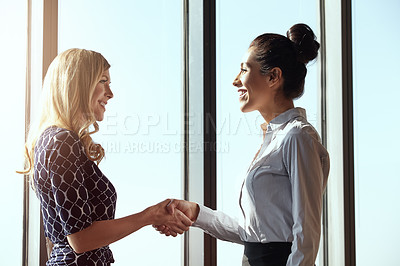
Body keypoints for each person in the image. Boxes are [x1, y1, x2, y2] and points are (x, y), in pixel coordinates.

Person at [156, 23, 330, 266]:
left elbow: (307, 234)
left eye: (244, 70)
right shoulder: (274, 140)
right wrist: (196, 213)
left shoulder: (298, 137)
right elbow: (251, 233)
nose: (235, 81)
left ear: (273, 77)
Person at [18, 48, 192, 265]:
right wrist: (150, 215)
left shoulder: (52, 140)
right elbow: (80, 240)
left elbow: (54, 240)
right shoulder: (63, 141)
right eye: (103, 81)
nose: (110, 93)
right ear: (78, 83)